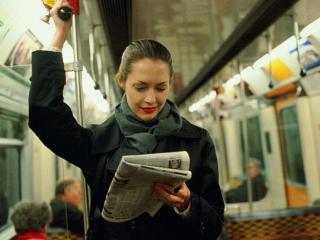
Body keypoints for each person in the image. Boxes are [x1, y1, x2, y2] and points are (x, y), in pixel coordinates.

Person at [28, 0, 224, 239]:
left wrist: (187, 204)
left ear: (170, 83)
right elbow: (44, 115)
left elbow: (215, 226)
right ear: (121, 80)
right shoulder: (96, 142)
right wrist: (60, 35)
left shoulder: (197, 141)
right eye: (140, 87)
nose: (151, 99)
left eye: (161, 88)